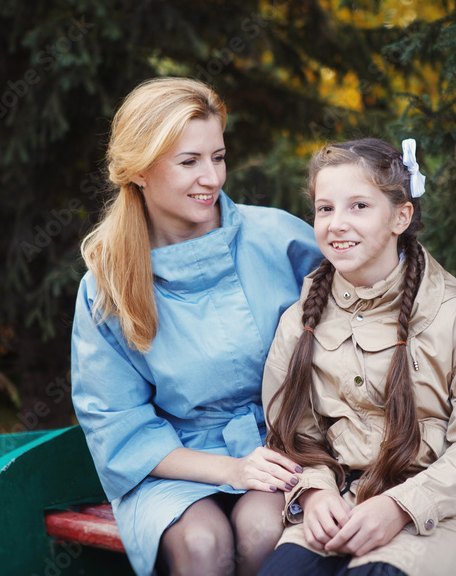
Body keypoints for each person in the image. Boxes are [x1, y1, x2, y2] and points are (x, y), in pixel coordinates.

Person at [71, 77, 323, 576]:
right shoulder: (109, 283)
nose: (211, 177)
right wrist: (229, 469)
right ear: (140, 170)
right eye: (189, 162)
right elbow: (116, 423)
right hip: (175, 462)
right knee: (202, 542)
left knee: (262, 531)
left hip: (286, 444)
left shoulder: (277, 238)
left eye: (219, 157)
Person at [259, 138, 456, 576]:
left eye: (358, 206)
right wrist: (316, 491)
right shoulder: (301, 321)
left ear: (401, 216)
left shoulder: (451, 319)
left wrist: (400, 506)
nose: (337, 223)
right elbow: (292, 431)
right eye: (326, 209)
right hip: (344, 499)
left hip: (440, 509)